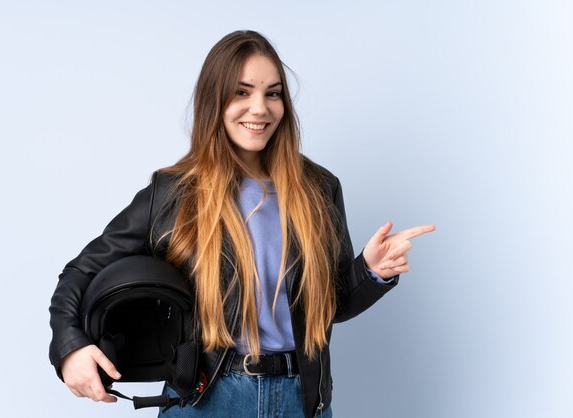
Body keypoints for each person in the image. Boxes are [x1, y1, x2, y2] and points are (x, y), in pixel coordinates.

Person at [49, 30, 435, 418]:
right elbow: (81, 271)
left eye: (273, 93)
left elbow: (328, 308)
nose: (260, 108)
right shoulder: (174, 192)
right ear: (214, 100)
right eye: (242, 92)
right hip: (208, 398)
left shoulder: (319, 188)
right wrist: (70, 347)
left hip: (301, 399)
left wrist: (370, 271)